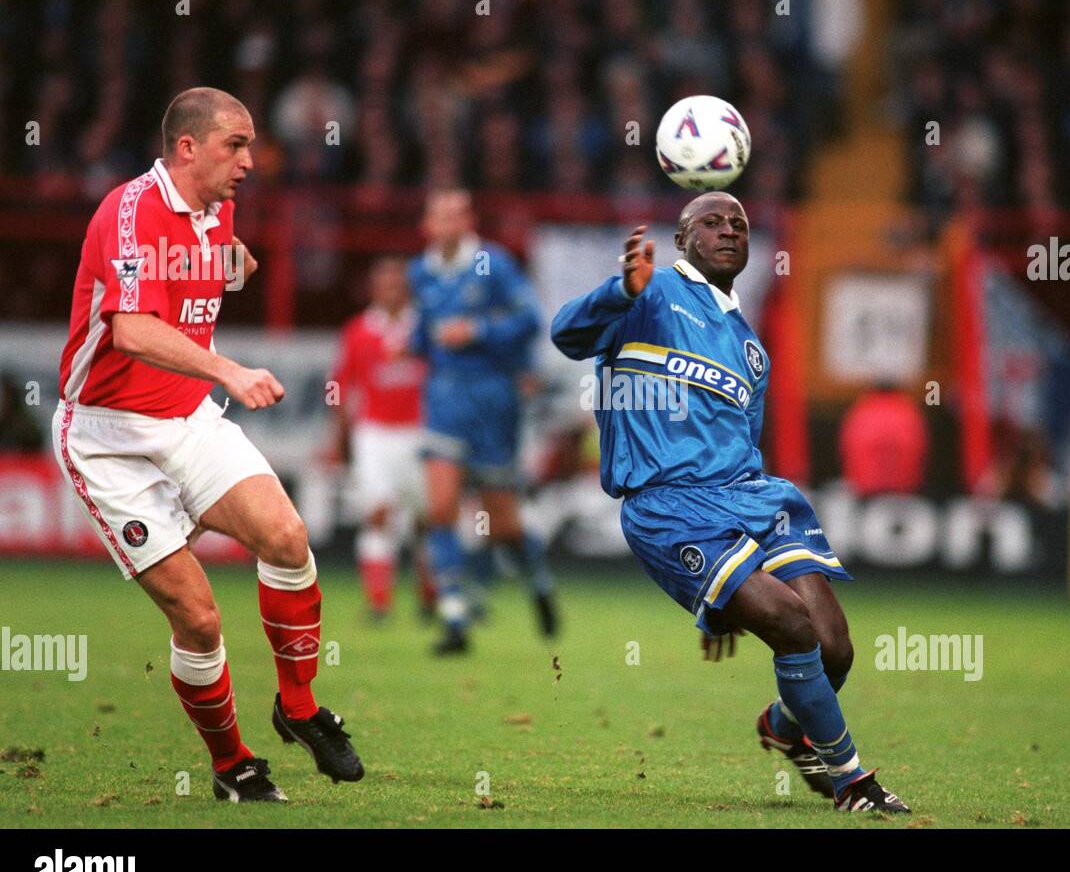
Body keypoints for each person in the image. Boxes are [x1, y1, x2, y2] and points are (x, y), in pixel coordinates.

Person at [550, 192, 909, 813]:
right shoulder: (649, 294)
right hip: (668, 506)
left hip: (751, 498)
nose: (728, 231)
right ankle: (855, 785)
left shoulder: (751, 347)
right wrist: (622, 289)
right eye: (712, 222)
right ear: (684, 236)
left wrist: (727, 599)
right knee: (791, 626)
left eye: (739, 224)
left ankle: (785, 724)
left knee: (834, 646)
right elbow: (566, 333)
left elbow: (742, 440)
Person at [52, 87, 363, 803]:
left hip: (187, 419)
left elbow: (225, 259)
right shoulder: (128, 212)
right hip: (108, 437)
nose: (250, 161)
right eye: (237, 144)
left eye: (252, 145)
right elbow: (130, 329)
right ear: (187, 147)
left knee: (287, 537)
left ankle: (300, 705)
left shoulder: (219, 208)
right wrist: (228, 368)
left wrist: (235, 263)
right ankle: (232, 765)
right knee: (199, 619)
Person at [407, 189, 559, 655]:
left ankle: (538, 579)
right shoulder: (421, 271)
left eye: (455, 215)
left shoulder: (492, 263)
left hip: (493, 402)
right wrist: (410, 345)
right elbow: (424, 335)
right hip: (445, 400)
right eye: (438, 215)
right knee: (440, 510)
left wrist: (477, 331)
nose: (446, 223)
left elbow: (530, 319)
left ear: (468, 220)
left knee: (502, 527)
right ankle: (454, 620)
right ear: (428, 224)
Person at [330, 255, 434, 621]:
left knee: (427, 520)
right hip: (374, 435)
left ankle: (430, 598)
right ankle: (379, 603)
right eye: (384, 284)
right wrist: (338, 441)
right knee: (378, 515)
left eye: (398, 284)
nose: (392, 291)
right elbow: (341, 388)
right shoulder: (358, 331)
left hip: (420, 432)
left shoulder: (424, 328)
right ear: (374, 289)